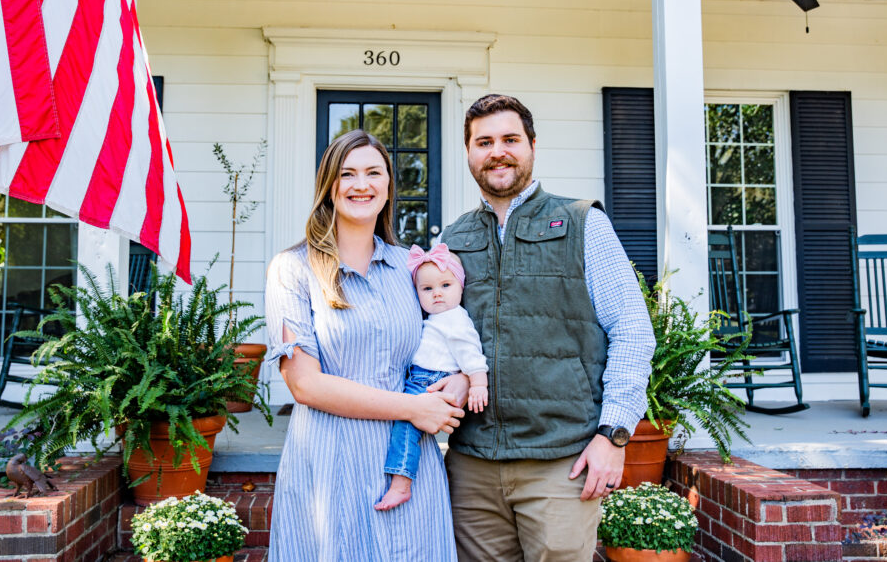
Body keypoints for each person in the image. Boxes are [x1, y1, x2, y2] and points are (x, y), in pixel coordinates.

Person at [433, 93, 656, 562]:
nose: (498, 152)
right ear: (469, 152)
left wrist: (613, 436)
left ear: (532, 146)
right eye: (484, 142)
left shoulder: (583, 222)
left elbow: (632, 330)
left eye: (510, 139)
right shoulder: (453, 239)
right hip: (471, 466)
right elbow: (437, 336)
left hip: (561, 463)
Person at [264, 129, 466, 561]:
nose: (361, 184)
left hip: (407, 463)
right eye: (347, 174)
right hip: (329, 462)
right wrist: (415, 408)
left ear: (389, 185)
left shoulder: (409, 268)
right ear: (329, 186)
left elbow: (443, 339)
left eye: (374, 172)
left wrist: (461, 381)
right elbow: (305, 385)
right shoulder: (292, 269)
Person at [375, 244, 489, 511]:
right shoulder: (439, 317)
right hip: (420, 376)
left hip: (431, 380)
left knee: (406, 428)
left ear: (461, 287)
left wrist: (478, 383)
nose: (437, 293)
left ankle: (401, 483)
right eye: (427, 289)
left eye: (446, 285)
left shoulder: (455, 319)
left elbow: (471, 353)